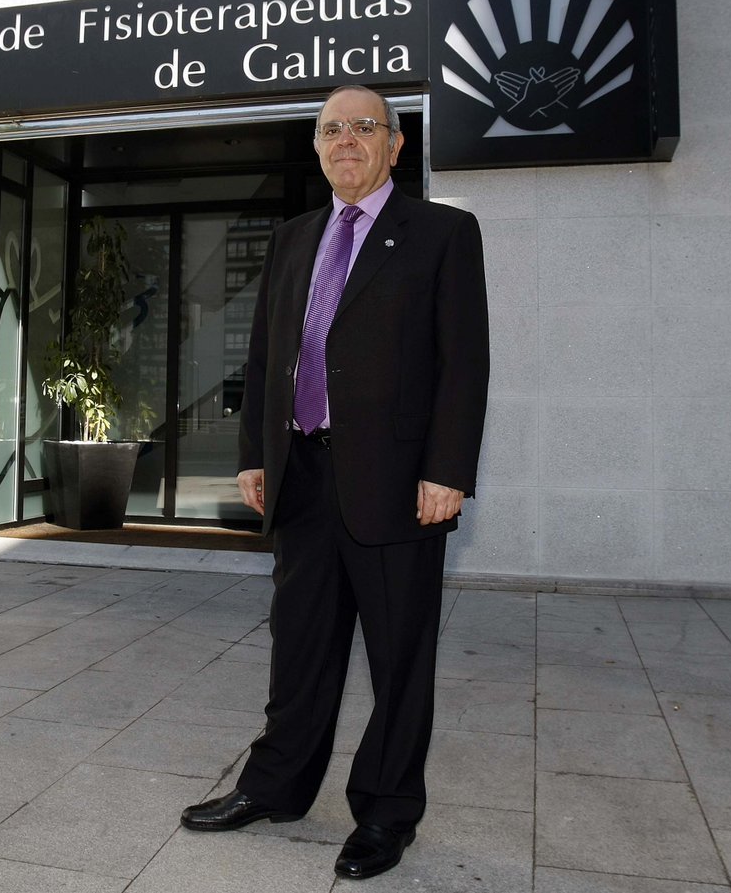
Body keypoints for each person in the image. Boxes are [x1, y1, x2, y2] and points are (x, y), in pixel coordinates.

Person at [180, 85, 490, 880]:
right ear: (316, 148)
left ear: (395, 145)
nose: (345, 139)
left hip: (397, 485)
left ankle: (386, 814)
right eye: (329, 129)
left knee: (398, 658)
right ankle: (274, 786)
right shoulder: (293, 237)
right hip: (302, 477)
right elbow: (264, 357)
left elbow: (464, 363)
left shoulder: (444, 233)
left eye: (363, 127)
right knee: (300, 648)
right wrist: (255, 452)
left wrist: (448, 470)